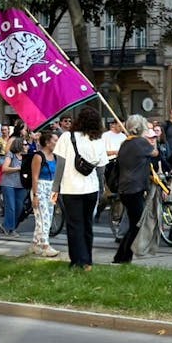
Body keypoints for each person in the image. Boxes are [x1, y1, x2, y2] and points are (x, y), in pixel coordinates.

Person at [58, 105, 109, 269]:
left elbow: (60, 165)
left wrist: (54, 188)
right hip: (91, 188)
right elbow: (101, 169)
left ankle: (77, 260)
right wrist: (101, 190)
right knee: (87, 225)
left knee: (74, 225)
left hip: (70, 187)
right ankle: (88, 260)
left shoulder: (67, 137)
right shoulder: (99, 141)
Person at [113, 114, 157, 264]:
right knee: (137, 225)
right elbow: (155, 152)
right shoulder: (140, 143)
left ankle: (122, 257)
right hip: (135, 188)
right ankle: (122, 257)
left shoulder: (125, 143)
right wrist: (152, 139)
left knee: (134, 224)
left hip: (125, 188)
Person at [29, 129, 60, 257]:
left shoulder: (55, 156)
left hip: (51, 189)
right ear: (47, 142)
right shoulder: (38, 156)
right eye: (55, 140)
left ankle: (35, 244)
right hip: (40, 188)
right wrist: (35, 196)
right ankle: (45, 245)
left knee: (48, 216)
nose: (57, 143)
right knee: (44, 218)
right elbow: (34, 177)